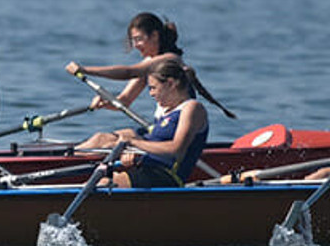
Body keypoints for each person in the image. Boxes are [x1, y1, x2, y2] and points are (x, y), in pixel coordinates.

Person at [66, 12, 232, 149]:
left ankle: (70, 162)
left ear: (155, 36)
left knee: (108, 144)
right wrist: (106, 102)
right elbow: (124, 101)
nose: (136, 45)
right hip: (160, 128)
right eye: (133, 40)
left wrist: (85, 70)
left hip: (175, 131)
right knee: (100, 139)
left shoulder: (170, 60)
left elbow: (129, 72)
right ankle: (69, 157)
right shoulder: (149, 65)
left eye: (139, 39)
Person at [80, 57, 209, 188]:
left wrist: (134, 143)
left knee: (102, 183)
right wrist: (133, 153)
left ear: (171, 83)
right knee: (102, 143)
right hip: (146, 167)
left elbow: (176, 149)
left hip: (166, 176)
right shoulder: (165, 110)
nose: (151, 93)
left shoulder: (192, 108)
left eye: (153, 88)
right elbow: (153, 145)